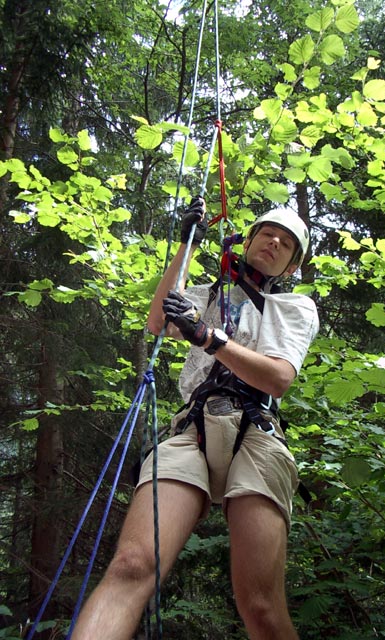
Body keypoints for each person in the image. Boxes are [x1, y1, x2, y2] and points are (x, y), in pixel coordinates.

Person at [72, 197, 319, 640]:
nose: (274, 242)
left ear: (292, 265)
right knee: (131, 565)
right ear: (248, 240)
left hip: (256, 431)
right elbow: (158, 320)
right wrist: (186, 245)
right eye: (267, 233)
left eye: (286, 243)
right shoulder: (208, 296)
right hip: (192, 428)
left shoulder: (294, 308)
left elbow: (278, 378)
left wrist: (209, 337)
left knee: (261, 604)